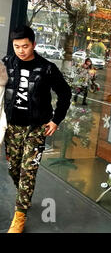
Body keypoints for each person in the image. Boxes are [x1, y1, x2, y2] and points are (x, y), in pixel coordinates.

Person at [2, 25, 71, 233]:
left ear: (34, 44)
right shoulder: (6, 64)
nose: (21, 50)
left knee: (28, 172)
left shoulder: (47, 68)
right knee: (14, 169)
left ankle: (19, 216)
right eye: (17, 46)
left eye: (25, 46)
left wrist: (56, 120)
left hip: (37, 128)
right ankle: (24, 196)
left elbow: (65, 94)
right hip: (13, 127)